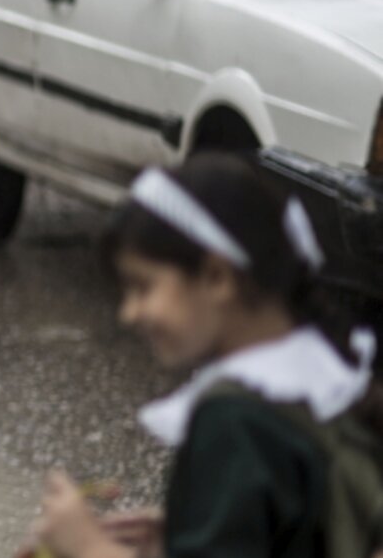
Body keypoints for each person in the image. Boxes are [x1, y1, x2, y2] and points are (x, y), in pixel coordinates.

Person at [27, 153, 382, 558]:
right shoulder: (330, 385)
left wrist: (88, 546)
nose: (129, 313)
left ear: (216, 277)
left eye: (143, 287)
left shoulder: (233, 421)